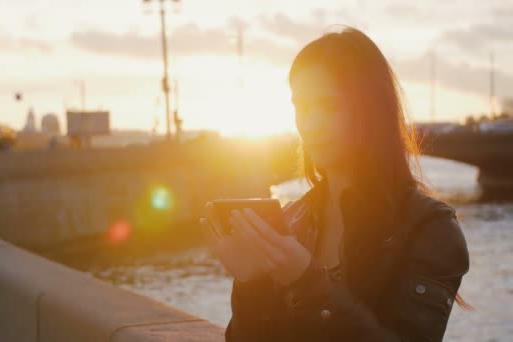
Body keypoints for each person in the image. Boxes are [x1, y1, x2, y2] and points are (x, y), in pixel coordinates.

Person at [200, 26, 470, 341]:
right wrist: (251, 282)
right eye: (301, 106)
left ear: (371, 111)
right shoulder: (292, 220)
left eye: (329, 107)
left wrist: (305, 281)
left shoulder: (430, 230)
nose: (310, 125)